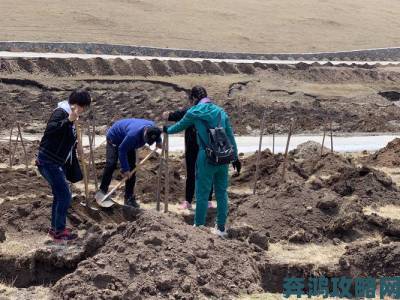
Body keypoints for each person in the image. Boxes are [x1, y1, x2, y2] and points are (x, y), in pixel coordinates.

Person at [163, 86, 241, 237]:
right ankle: (221, 228)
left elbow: (178, 126)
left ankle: (199, 228)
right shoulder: (221, 112)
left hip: (205, 156)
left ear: (193, 99)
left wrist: (165, 130)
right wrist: (235, 158)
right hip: (223, 157)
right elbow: (230, 136)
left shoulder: (194, 112)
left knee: (202, 193)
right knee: (221, 192)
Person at [36, 89, 91, 241]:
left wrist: (77, 146)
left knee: (59, 195)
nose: (83, 110)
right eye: (83, 106)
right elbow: (51, 130)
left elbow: (67, 138)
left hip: (55, 161)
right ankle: (60, 231)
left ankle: (55, 230)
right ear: (76, 104)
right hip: (48, 161)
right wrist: (69, 120)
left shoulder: (73, 117)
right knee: (65, 195)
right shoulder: (61, 112)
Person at [96, 118, 162, 208]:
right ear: (145, 132)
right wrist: (125, 169)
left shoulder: (153, 128)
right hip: (115, 138)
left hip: (128, 141)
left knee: (132, 169)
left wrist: (159, 142)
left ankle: (129, 198)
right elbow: (122, 150)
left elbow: (157, 134)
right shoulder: (133, 135)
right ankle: (102, 191)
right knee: (111, 164)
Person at [162, 100, 214, 210]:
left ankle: (205, 201)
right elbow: (180, 116)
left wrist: (169, 119)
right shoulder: (210, 109)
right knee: (195, 174)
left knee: (199, 174)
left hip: (203, 147)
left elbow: (180, 121)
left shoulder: (200, 110)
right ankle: (192, 201)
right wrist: (170, 116)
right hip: (199, 147)